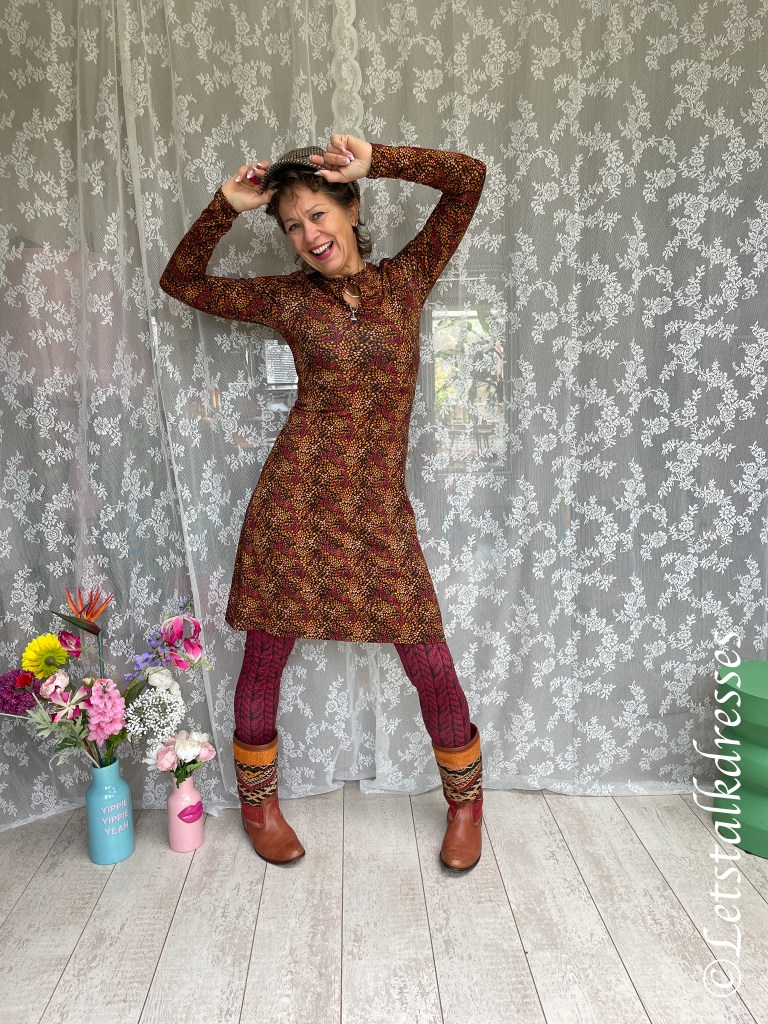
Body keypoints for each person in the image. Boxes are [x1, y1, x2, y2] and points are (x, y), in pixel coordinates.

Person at [159, 133, 487, 871]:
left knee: (430, 661)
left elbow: (469, 179)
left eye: (317, 214)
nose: (308, 235)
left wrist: (382, 158)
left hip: (377, 516)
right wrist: (224, 207)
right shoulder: (286, 298)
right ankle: (259, 806)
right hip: (294, 510)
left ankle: (466, 805)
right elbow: (180, 280)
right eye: (291, 226)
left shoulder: (408, 279)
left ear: (352, 207)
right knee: (264, 662)